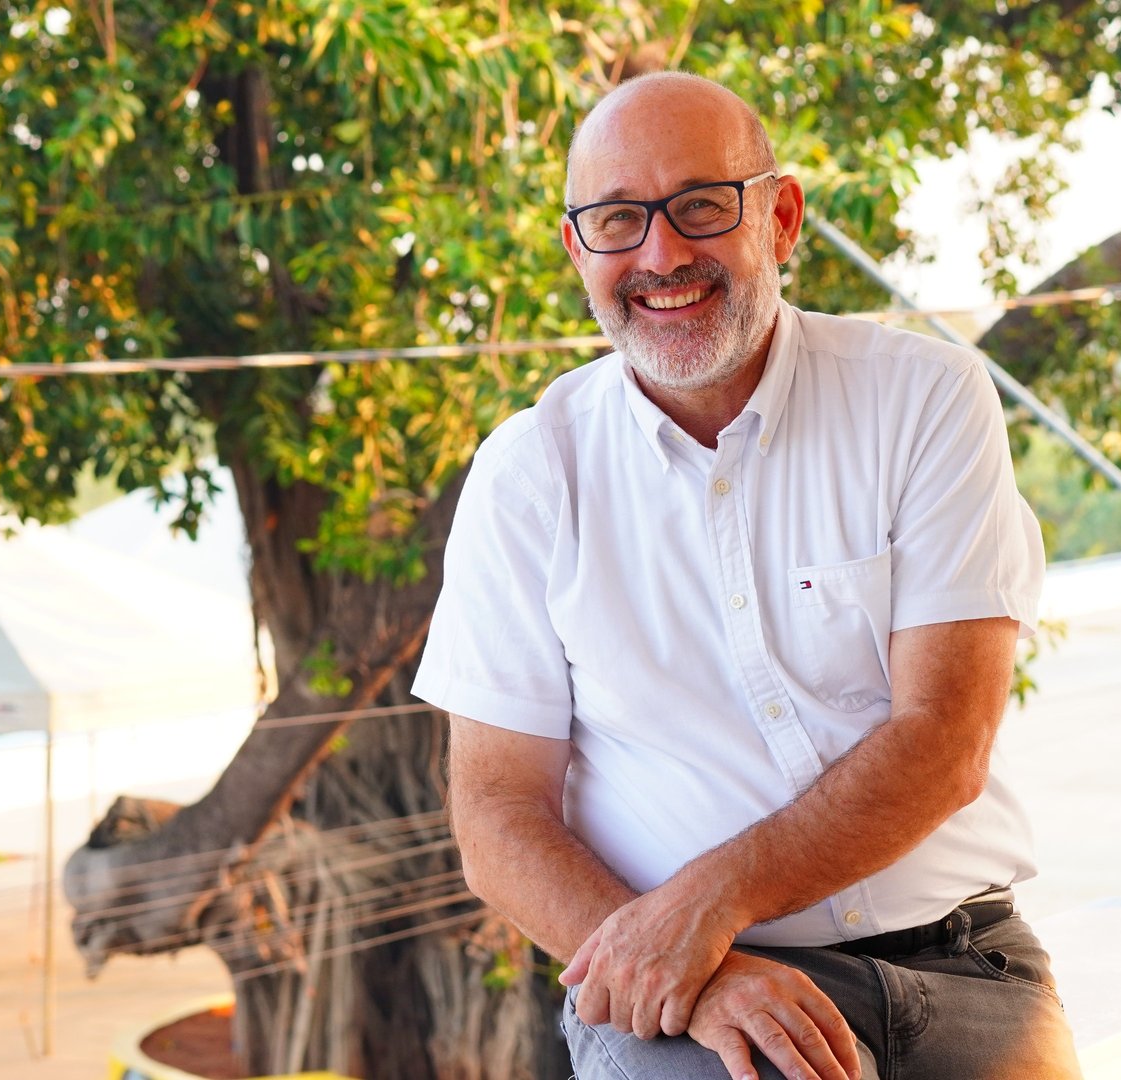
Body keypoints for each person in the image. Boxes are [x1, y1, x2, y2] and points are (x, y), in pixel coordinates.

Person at [413, 71, 1082, 1079]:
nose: (662, 253)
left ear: (781, 217)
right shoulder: (528, 474)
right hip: (689, 995)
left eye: (700, 206)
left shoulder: (924, 400)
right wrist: (696, 961)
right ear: (575, 249)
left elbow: (947, 740)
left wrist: (709, 898)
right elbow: (497, 815)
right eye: (618, 220)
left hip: (966, 968)